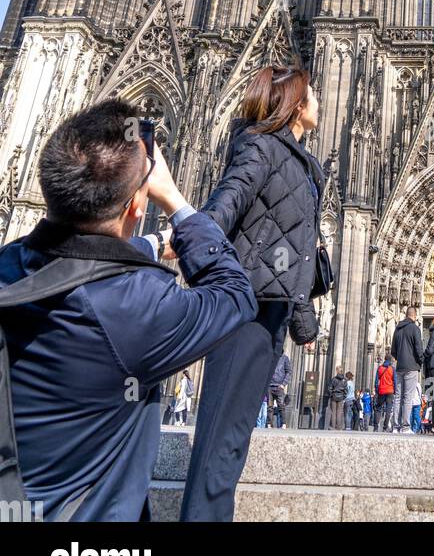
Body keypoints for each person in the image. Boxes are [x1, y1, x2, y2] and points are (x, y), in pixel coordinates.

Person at [0, 99, 256, 521]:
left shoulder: (9, 267)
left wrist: (152, 245)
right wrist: (175, 201)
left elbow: (76, 265)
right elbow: (234, 294)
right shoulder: (136, 310)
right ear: (138, 205)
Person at [180, 64, 324, 521]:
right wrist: (188, 245)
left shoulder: (303, 164)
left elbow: (294, 251)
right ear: (296, 106)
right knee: (221, 436)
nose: (319, 100)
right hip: (244, 312)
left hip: (271, 318)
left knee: (234, 436)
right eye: (312, 94)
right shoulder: (260, 146)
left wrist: (302, 322)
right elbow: (228, 201)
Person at [391, 306, 424, 433]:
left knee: (398, 396)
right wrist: (421, 361)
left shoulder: (397, 329)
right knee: (408, 397)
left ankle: (395, 426)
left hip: (400, 367)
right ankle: (405, 427)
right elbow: (418, 349)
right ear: (414, 316)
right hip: (411, 367)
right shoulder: (415, 329)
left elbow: (393, 350)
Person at [268, 352, 292, 428]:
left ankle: (283, 424)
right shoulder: (271, 356)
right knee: (269, 407)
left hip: (279, 386)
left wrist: (283, 384)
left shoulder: (285, 358)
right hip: (270, 386)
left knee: (281, 406)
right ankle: (269, 424)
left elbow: (289, 372)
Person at [374, 353, 396, 431]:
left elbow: (376, 381)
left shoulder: (380, 368)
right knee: (388, 409)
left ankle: (376, 427)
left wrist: (377, 390)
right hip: (390, 391)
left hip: (381, 390)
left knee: (378, 408)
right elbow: (395, 381)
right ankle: (385, 427)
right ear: (390, 360)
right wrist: (395, 390)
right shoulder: (392, 369)